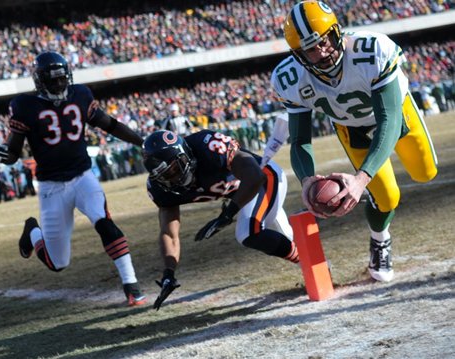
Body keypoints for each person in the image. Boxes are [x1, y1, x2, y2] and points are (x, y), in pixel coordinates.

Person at [265, 1, 438, 282]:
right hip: (351, 128)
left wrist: (360, 180)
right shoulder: (290, 78)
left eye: (325, 40)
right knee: (387, 198)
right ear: (298, 54)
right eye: (311, 48)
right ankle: (380, 239)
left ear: (337, 31)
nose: (322, 51)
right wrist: (307, 180)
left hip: (397, 115)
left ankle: (371, 190)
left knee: (425, 173)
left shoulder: (372, 51)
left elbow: (388, 119)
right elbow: (299, 140)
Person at [0, 51, 147, 306]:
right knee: (57, 263)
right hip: (52, 187)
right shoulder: (24, 106)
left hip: (83, 176)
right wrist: (4, 154)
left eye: (62, 79)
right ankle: (32, 230)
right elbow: (13, 152)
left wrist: (142, 142)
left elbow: (110, 124)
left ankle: (131, 284)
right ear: (40, 81)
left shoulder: (81, 95)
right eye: (53, 81)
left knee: (103, 221)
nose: (59, 85)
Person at [142, 130, 298, 310]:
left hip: (264, 179)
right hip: (244, 196)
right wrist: (168, 272)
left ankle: (307, 260)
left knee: (248, 232)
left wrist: (227, 215)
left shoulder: (207, 145)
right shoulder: (161, 189)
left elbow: (255, 175)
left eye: (176, 169)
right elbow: (169, 234)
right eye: (165, 176)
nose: (174, 178)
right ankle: (310, 258)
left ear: (185, 154)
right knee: (284, 236)